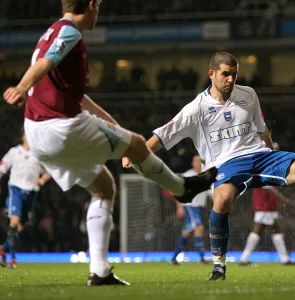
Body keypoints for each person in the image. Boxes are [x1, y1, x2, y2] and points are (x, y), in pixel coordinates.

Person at [3, 0, 216, 286]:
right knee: (139, 145)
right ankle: (182, 188)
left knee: (103, 187)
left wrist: (114, 125)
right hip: (62, 127)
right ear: (91, 5)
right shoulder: (70, 33)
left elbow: (76, 96)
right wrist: (21, 86)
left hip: (38, 132)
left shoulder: (51, 30)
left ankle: (99, 270)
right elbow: (46, 63)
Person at [123, 52, 295, 281]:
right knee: (222, 199)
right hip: (227, 164)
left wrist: (272, 154)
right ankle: (218, 266)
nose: (231, 80)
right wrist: (137, 153)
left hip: (261, 156)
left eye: (234, 74)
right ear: (211, 74)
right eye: (225, 74)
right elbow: (163, 136)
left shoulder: (248, 94)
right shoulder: (196, 109)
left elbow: (261, 129)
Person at [240, 143, 295, 265]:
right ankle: (244, 258)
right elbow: (269, 187)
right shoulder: (266, 163)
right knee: (259, 230)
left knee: (273, 230)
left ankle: (284, 259)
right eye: (275, 149)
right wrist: (285, 200)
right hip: (264, 205)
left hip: (268, 206)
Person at [0, 132, 51, 268]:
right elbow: (2, 168)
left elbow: (49, 171)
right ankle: (13, 259)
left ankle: (3, 249)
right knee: (15, 221)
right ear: (22, 136)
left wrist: (41, 180)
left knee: (20, 226)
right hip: (15, 189)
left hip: (31, 192)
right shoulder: (14, 152)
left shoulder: (39, 155)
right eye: (26, 134)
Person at [168, 155, 212, 265]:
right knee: (199, 227)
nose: (196, 164)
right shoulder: (187, 176)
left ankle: (173, 258)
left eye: (198, 162)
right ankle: (202, 258)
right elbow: (175, 190)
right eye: (195, 162)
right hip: (190, 206)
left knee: (187, 233)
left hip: (199, 208)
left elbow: (211, 195)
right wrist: (179, 207)